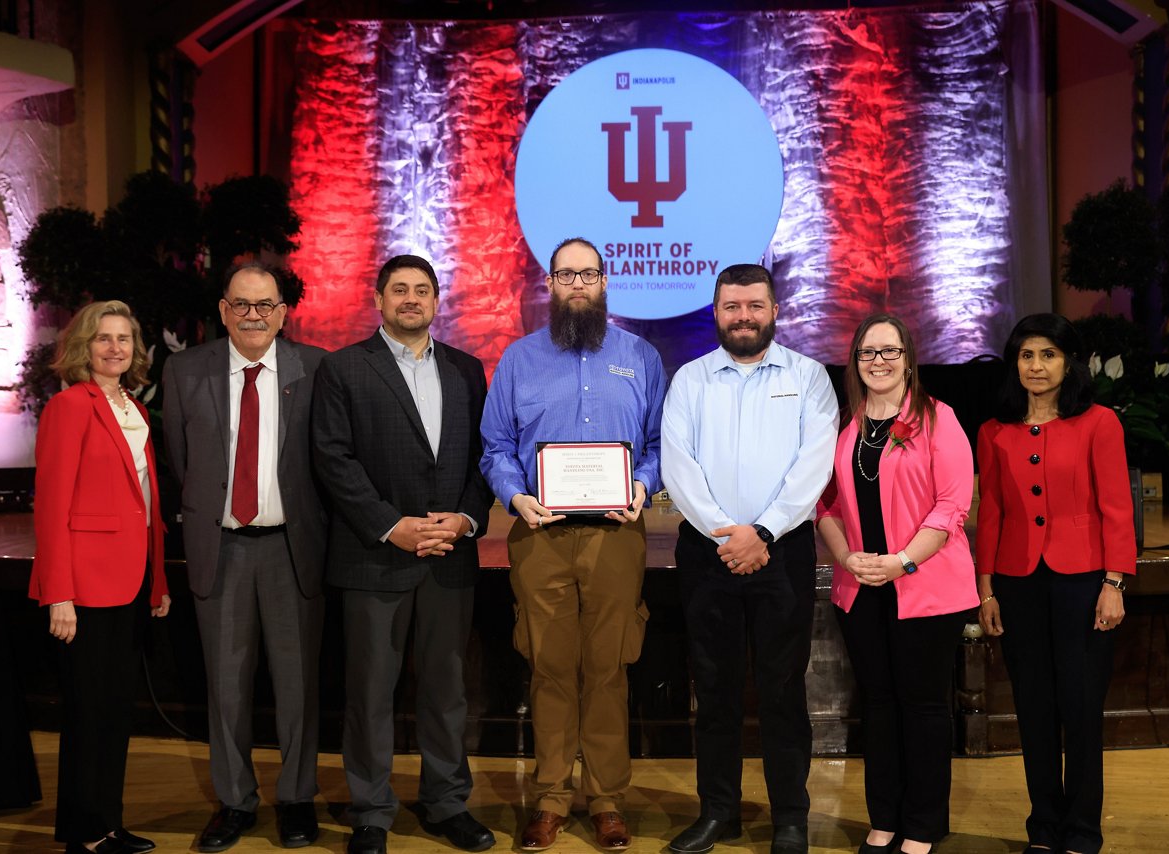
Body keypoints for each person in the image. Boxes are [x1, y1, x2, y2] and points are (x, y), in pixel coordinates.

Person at [480, 237, 665, 851]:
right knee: (551, 667)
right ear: (550, 284)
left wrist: (643, 482)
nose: (578, 284)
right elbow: (496, 448)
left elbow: (662, 442)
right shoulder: (519, 360)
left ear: (606, 281)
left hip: (617, 535)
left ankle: (608, 798)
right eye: (567, 275)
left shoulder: (640, 357)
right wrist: (514, 496)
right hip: (540, 534)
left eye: (589, 273)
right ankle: (553, 795)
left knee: (609, 668)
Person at [311, 255, 495, 854]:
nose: (411, 299)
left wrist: (465, 519)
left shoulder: (468, 371)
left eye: (422, 290)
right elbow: (333, 459)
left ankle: (446, 803)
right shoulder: (343, 369)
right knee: (369, 691)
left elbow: (481, 458)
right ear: (379, 300)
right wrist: (392, 526)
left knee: (448, 691)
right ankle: (370, 810)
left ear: (437, 302)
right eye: (399, 290)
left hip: (449, 557)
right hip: (375, 558)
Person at [661, 264, 838, 854]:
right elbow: (677, 467)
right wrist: (726, 535)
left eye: (754, 306)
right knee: (713, 689)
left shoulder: (809, 377)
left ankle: (791, 816)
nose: (743, 316)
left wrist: (761, 531)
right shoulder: (690, 380)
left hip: (781, 553)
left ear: (774, 310)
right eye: (732, 307)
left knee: (784, 689)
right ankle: (719, 813)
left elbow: (815, 464)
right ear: (716, 313)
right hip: (708, 554)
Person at [162, 261, 328, 852]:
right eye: (241, 305)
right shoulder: (186, 370)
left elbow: (327, 463)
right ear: (223, 310)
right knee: (226, 687)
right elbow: (181, 464)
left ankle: (296, 798)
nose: (253, 316)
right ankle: (234, 802)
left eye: (265, 306)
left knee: (298, 686)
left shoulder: (316, 369)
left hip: (292, 550)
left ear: (284, 313)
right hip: (222, 548)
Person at [814, 314, 978, 854]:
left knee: (924, 707)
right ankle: (883, 819)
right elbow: (827, 504)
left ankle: (924, 826)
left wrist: (901, 562)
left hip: (925, 588)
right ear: (855, 362)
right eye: (867, 353)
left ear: (908, 357)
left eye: (889, 351)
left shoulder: (939, 419)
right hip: (860, 588)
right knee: (879, 706)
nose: (878, 362)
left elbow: (952, 507)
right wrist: (848, 558)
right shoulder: (847, 425)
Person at [976, 313, 1134, 854]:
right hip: (1018, 582)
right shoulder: (994, 431)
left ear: (1069, 363)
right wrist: (986, 588)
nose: (1037, 365)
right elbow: (990, 512)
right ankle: (1043, 826)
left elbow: (1117, 506)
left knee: (1082, 706)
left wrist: (1114, 581)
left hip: (1084, 581)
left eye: (1048, 354)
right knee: (1034, 707)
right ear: (1013, 363)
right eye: (1026, 355)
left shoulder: (1099, 422)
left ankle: (1083, 831)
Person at [31, 300, 171, 854]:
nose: (116, 348)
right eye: (103, 338)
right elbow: (52, 506)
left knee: (115, 712)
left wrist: (157, 581)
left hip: (132, 582)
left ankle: (107, 825)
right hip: (85, 587)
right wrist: (57, 592)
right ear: (83, 346)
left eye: (125, 339)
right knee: (88, 715)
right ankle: (83, 835)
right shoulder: (70, 406)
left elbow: (147, 505)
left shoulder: (132, 405)